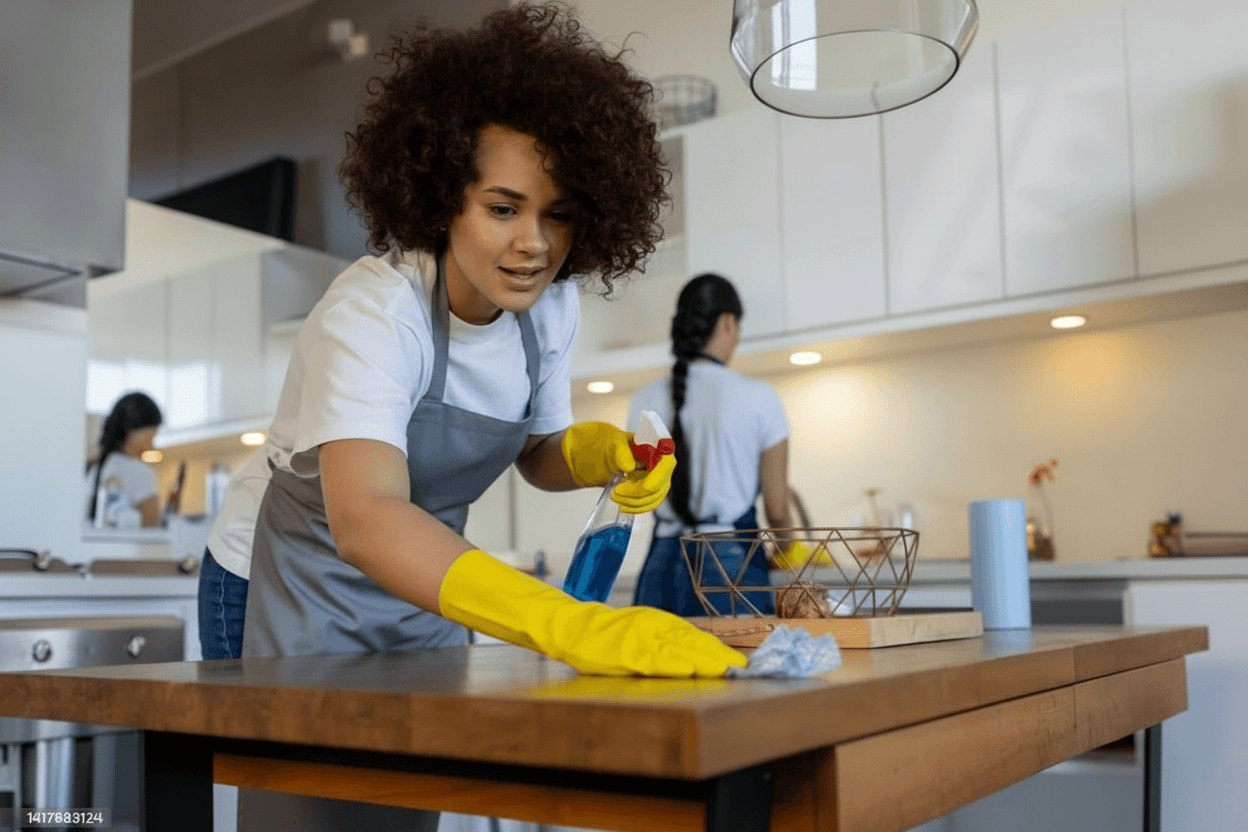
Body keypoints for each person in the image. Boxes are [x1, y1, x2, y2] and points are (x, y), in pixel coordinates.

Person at [198, 3, 746, 680]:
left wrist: (603, 452)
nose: (534, 244)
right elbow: (367, 518)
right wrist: (566, 622)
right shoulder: (376, 313)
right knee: (308, 780)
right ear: (443, 198)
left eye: (559, 215)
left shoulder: (549, 310)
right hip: (288, 580)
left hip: (421, 579)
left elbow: (537, 452)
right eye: (503, 208)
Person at [628, 273, 817, 616]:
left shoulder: (645, 397)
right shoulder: (760, 398)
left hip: (662, 560)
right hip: (732, 562)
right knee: (736, 666)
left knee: (655, 665)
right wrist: (789, 551)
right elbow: (777, 508)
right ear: (728, 323)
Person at [84, 392, 163, 528]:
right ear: (132, 431)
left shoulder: (96, 469)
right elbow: (151, 526)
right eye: (150, 438)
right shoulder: (138, 470)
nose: (151, 446)